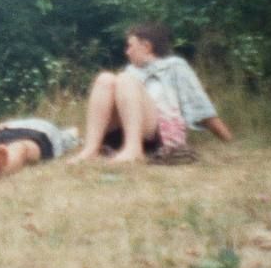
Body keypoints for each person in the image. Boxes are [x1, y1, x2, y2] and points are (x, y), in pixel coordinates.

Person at [66, 22, 232, 165]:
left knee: (124, 79)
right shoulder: (131, 71)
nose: (127, 52)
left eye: (130, 46)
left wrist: (227, 139)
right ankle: (90, 150)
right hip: (120, 132)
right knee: (105, 78)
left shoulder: (174, 66)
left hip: (157, 135)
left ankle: (134, 149)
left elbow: (200, 106)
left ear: (146, 46)